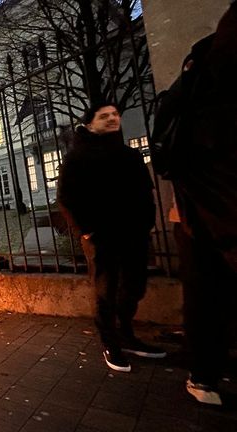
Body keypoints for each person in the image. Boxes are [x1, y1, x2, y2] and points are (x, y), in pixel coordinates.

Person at [158, 2, 237, 406]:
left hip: (203, 211)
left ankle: (206, 369)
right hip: (203, 213)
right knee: (206, 294)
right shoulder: (211, 81)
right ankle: (203, 372)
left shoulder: (207, 70)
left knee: (207, 295)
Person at [57, 103, 164, 373]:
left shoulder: (129, 155)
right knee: (106, 290)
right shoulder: (77, 156)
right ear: (90, 123)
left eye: (115, 115)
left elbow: (144, 190)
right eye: (104, 116)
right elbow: (67, 198)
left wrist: (147, 221)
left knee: (134, 284)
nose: (112, 119)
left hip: (134, 232)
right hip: (102, 235)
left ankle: (126, 332)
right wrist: (86, 230)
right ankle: (110, 341)